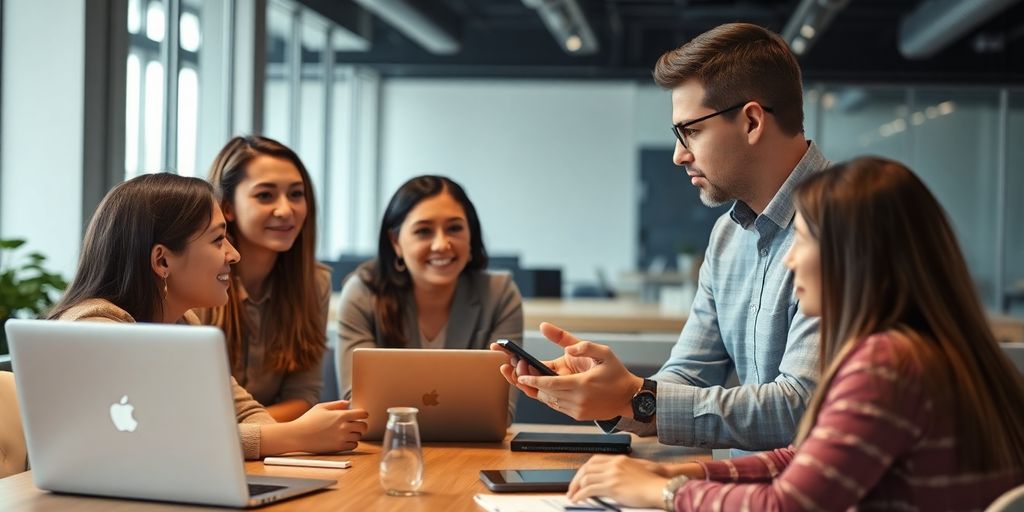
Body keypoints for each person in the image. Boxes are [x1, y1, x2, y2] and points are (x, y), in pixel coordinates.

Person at [566, 157, 1024, 510]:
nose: (790, 260)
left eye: (803, 240)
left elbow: (789, 505)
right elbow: (805, 458)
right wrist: (688, 473)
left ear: (853, 258)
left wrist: (666, 495)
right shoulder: (934, 350)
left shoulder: (887, 364)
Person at [494, 22, 824, 451]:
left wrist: (638, 396)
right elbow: (687, 375)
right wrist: (608, 396)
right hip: (738, 487)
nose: (678, 154)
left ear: (751, 121)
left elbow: (802, 409)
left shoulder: (852, 223)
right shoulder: (727, 237)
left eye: (690, 130)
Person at [48, 173, 367, 460]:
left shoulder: (185, 324)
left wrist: (285, 438)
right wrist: (293, 435)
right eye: (218, 240)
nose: (234, 254)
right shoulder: (93, 330)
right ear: (161, 261)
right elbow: (158, 440)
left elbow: (243, 411)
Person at [337, 175, 523, 415]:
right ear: (395, 242)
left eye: (454, 228)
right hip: (388, 447)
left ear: (471, 235)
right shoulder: (362, 293)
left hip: (474, 450)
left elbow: (500, 410)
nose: (441, 245)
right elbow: (359, 403)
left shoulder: (499, 294)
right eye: (423, 231)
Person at [198, 136, 330, 422]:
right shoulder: (194, 279)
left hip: (267, 448)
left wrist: (259, 431)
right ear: (227, 207)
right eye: (265, 195)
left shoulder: (313, 282)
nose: (286, 210)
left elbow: (303, 396)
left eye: (296, 194)